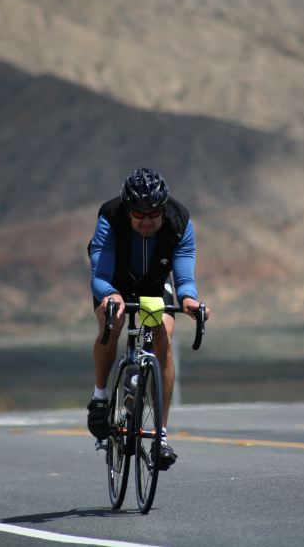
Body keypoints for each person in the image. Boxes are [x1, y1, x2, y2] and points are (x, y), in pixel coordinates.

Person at [86, 167, 210, 470]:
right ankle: (100, 396)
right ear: (128, 210)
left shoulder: (180, 221)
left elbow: (183, 274)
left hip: (154, 287)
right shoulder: (111, 216)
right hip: (114, 285)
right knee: (110, 324)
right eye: (139, 214)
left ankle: (160, 437)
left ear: (163, 209)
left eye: (153, 213)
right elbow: (100, 274)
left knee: (163, 336)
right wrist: (110, 296)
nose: (146, 220)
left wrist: (190, 301)